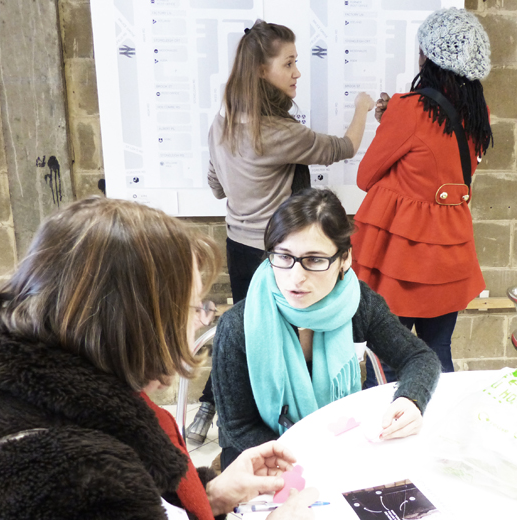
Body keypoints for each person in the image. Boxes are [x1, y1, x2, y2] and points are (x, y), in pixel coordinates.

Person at [0, 197, 318, 520]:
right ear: (136, 323)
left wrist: (210, 495)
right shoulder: (86, 478)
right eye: (194, 308)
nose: (199, 322)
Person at [187, 18, 376, 444]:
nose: (297, 73)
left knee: (244, 329)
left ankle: (205, 411)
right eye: (288, 63)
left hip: (239, 245)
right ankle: (288, 427)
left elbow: (216, 188)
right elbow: (342, 148)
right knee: (282, 343)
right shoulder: (280, 133)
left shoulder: (222, 124)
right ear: (260, 71)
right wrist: (363, 107)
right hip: (278, 256)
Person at [211, 188, 441, 470]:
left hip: (336, 449)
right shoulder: (239, 326)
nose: (295, 278)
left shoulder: (358, 303)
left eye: (315, 260)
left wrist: (411, 399)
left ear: (345, 259)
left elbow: (418, 357)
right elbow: (239, 427)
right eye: (283, 257)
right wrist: (308, 455)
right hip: (259, 459)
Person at [352, 8, 493, 385]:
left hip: (404, 258)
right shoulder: (478, 113)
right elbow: (438, 162)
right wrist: (393, 123)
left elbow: (366, 177)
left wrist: (393, 122)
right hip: (450, 252)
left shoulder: (409, 109)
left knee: (387, 362)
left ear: (428, 56)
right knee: (438, 352)